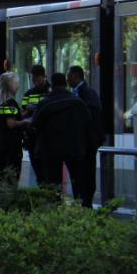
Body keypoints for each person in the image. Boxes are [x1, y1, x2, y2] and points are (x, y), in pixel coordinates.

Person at [32, 73, 91, 200]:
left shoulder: (44, 103)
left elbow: (35, 124)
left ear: (52, 85)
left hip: (51, 150)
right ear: (65, 84)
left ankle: (55, 209)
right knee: (77, 181)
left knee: (53, 185)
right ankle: (79, 207)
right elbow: (87, 122)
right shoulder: (78, 102)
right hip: (74, 148)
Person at [68, 65, 103, 208]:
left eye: (69, 76)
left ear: (76, 76)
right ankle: (81, 199)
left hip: (87, 142)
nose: (67, 79)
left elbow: (91, 116)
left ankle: (86, 200)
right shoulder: (78, 93)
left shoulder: (87, 93)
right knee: (79, 172)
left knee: (86, 171)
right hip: (81, 142)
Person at [0, 72, 29, 184]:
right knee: (13, 174)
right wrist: (25, 122)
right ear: (10, 85)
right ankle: (10, 198)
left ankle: (1, 197)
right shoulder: (11, 103)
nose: (18, 86)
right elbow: (11, 123)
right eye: (16, 83)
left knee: (1, 173)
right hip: (12, 144)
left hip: (1, 142)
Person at [21, 64, 51, 185]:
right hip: (32, 136)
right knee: (37, 167)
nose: (35, 82)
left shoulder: (52, 91)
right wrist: (27, 111)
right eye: (33, 79)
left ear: (44, 76)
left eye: (37, 79)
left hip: (47, 136)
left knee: (48, 169)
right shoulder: (28, 93)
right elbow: (22, 112)